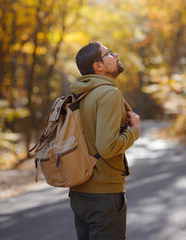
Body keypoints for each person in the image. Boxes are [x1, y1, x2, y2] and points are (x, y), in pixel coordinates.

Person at [68, 41, 140, 240]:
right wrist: (134, 131)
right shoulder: (109, 93)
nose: (115, 54)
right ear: (97, 66)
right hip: (104, 194)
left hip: (79, 192)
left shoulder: (80, 94)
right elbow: (107, 148)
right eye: (109, 53)